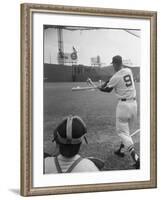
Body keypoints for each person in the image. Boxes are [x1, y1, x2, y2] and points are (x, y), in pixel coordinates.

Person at [98, 55, 140, 169]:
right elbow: (113, 79)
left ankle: (136, 159)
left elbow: (108, 89)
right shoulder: (128, 70)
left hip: (124, 106)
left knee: (122, 133)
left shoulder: (116, 76)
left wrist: (101, 88)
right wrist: (105, 83)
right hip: (134, 105)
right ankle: (121, 150)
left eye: (113, 64)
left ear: (116, 64)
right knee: (127, 132)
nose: (113, 66)